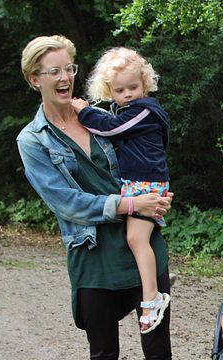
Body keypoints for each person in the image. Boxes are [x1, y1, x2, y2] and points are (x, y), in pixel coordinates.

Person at [16, 35, 177, 360]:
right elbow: (66, 202)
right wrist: (130, 203)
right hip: (92, 253)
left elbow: (147, 158)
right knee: (103, 357)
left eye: (68, 68)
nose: (64, 77)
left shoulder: (111, 115)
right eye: (53, 71)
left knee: (159, 353)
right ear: (33, 79)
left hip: (141, 244)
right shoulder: (32, 141)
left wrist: (155, 195)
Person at [71, 47, 171, 334]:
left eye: (133, 87)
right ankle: (151, 279)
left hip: (145, 182)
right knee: (138, 237)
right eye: (119, 90)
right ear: (109, 90)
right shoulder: (130, 109)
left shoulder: (144, 110)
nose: (127, 94)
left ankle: (152, 297)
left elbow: (111, 128)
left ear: (145, 84)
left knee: (135, 238)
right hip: (140, 181)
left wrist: (84, 111)